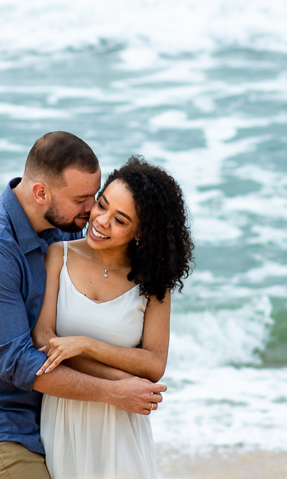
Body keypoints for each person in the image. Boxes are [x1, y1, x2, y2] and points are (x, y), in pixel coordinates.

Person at [0, 133, 168, 479]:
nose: (92, 211)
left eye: (96, 197)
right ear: (41, 193)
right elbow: (19, 362)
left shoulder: (64, 230)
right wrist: (115, 388)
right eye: (83, 199)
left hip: (53, 412)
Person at [33, 156, 194, 479]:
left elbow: (153, 364)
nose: (101, 220)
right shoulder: (59, 256)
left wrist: (86, 345)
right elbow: (43, 340)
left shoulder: (153, 282)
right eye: (102, 204)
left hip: (122, 426)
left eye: (120, 220)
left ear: (140, 233)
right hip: (65, 418)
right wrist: (119, 382)